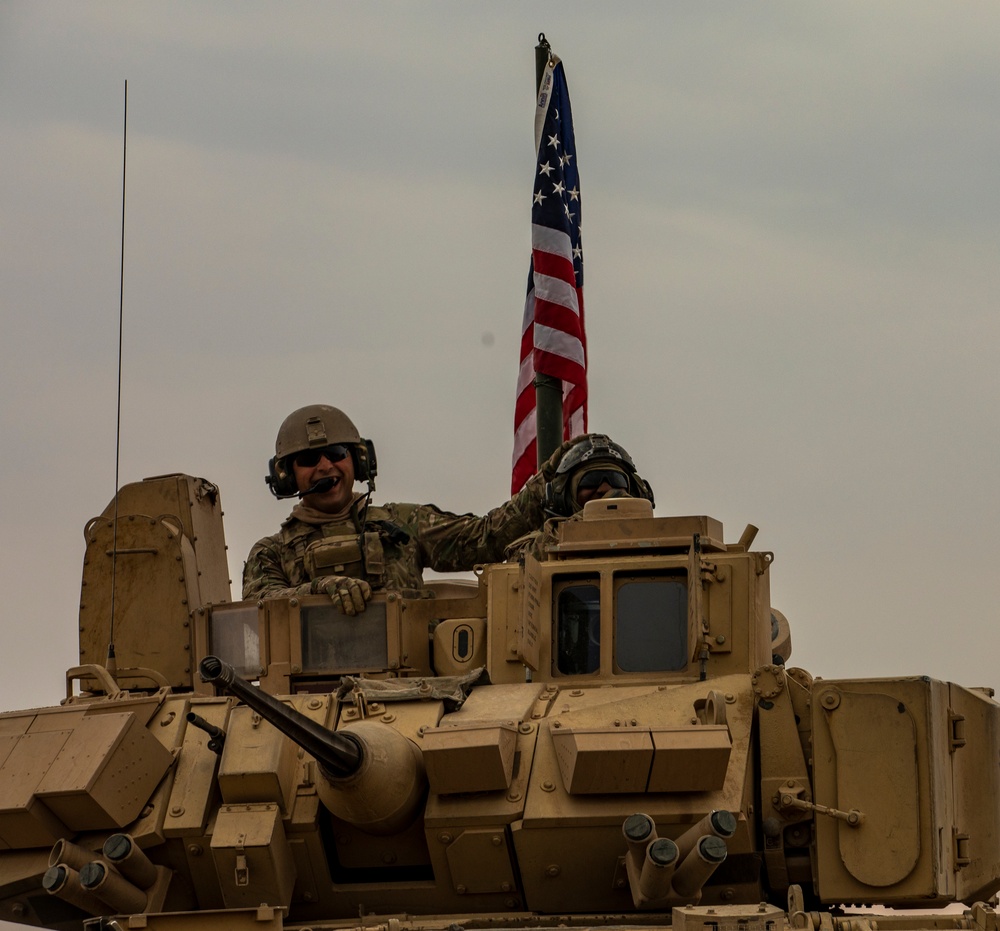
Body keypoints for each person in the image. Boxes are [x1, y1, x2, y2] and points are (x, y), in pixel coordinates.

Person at [242, 404, 581, 614]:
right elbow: (263, 607)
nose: (325, 466)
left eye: (336, 453)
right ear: (287, 477)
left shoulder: (402, 523)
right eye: (308, 460)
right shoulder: (270, 554)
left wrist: (551, 479)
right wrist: (318, 588)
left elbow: (486, 537)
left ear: (359, 461)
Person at [506, 434, 655, 561]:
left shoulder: (656, 535)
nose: (605, 489)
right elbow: (519, 563)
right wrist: (592, 518)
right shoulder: (546, 541)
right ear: (563, 496)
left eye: (616, 480)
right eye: (591, 480)